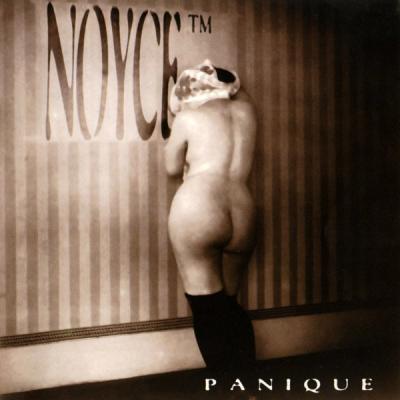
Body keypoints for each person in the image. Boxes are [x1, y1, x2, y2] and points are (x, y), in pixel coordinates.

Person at [165, 59, 257, 381]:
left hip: (200, 205)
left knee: (207, 309)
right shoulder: (247, 112)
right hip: (243, 208)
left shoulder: (188, 118)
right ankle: (248, 390)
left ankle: (225, 390)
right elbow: (237, 90)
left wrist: (175, 114)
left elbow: (171, 168)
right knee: (230, 305)